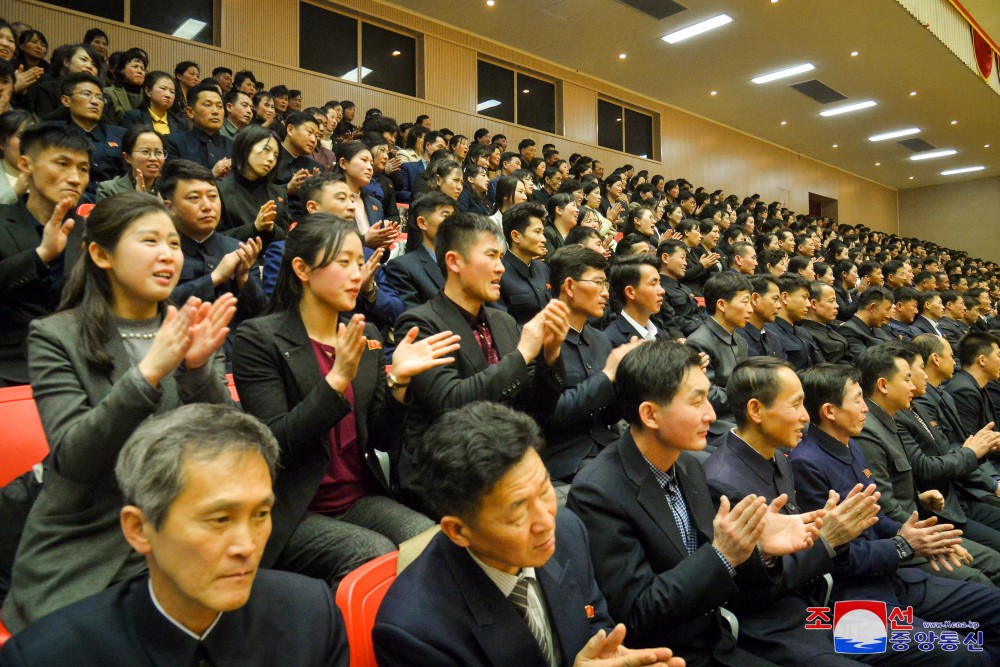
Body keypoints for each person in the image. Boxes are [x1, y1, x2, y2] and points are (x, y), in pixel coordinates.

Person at [1, 192, 234, 632]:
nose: (168, 255)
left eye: (174, 244)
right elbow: (74, 459)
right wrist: (147, 374)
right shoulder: (56, 335)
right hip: (92, 550)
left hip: (180, 542)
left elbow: (225, 448)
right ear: (100, 254)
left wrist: (199, 371)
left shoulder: (188, 326)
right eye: (150, 241)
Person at [0, 404, 351, 666]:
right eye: (218, 519)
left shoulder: (311, 616)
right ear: (139, 529)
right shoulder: (48, 657)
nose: (247, 545)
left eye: (260, 514)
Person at [232, 216, 456, 588]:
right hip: (291, 508)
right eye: (344, 263)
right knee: (374, 554)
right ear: (302, 269)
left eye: (360, 263)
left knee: (429, 539)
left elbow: (382, 439)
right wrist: (336, 381)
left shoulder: (363, 334)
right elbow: (273, 445)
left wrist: (399, 381)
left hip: (356, 498)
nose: (357, 275)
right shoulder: (260, 338)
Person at [372, 401, 684, 667]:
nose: (546, 520)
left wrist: (607, 654)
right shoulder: (414, 631)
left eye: (546, 488)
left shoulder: (568, 530)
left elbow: (593, 621)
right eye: (518, 510)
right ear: (458, 530)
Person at [568, 341, 822, 665]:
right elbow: (635, 613)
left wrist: (758, 550)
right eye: (696, 401)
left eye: (708, 396)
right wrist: (725, 554)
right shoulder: (598, 492)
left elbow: (717, 572)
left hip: (718, 641)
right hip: (663, 657)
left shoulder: (688, 464)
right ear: (650, 414)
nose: (712, 414)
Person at [792, 363, 1000, 664]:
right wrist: (904, 545)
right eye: (857, 400)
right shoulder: (807, 463)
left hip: (891, 576)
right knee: (962, 651)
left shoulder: (848, 445)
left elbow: (875, 516)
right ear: (829, 411)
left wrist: (916, 535)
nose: (865, 408)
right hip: (855, 597)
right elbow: (837, 556)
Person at [703, 357, 881, 665]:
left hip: (812, 603)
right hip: (771, 626)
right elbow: (751, 591)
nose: (805, 417)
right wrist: (826, 539)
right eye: (795, 405)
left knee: (943, 643)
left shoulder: (780, 457)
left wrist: (827, 532)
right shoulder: (722, 482)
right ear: (756, 410)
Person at [393, 212, 570, 495]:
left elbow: (536, 408)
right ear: (454, 262)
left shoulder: (503, 322)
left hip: (506, 464)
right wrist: (524, 353)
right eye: (491, 256)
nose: (501, 268)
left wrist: (550, 355)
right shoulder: (420, 324)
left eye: (501, 257)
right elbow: (451, 403)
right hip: (448, 476)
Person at [852, 343, 1000, 585]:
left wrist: (918, 496)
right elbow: (885, 505)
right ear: (883, 385)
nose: (913, 385)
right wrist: (931, 540)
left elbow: (897, 485)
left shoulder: (891, 417)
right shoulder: (869, 430)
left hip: (927, 514)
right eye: (907, 378)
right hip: (906, 537)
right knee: (985, 575)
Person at [0, 122, 90, 386]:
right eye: (62, 164)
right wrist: (40, 255)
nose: (75, 178)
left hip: (78, 366)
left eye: (83, 169)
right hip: (8, 368)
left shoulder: (90, 233)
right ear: (26, 165)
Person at [544, 246, 636, 482]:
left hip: (605, 445)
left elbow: (607, 417)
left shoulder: (600, 339)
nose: (606, 293)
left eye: (606, 284)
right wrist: (607, 375)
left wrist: (630, 378)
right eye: (598, 283)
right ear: (570, 286)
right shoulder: (538, 338)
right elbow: (550, 413)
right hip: (564, 456)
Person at [160, 160, 265, 355]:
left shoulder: (237, 248)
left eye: (212, 197)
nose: (207, 206)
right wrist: (214, 279)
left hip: (240, 357)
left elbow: (259, 312)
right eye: (194, 198)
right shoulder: (161, 252)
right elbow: (159, 308)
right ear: (169, 207)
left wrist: (243, 279)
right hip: (180, 355)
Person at [911, 333, 1000, 509]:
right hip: (958, 488)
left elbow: (969, 446)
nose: (954, 362)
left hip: (975, 474)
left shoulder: (944, 394)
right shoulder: (953, 392)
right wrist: (994, 484)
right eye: (951, 356)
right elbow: (955, 451)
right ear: (936, 359)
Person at [684, 272, 752, 424]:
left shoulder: (740, 340)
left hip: (740, 413)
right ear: (721, 305)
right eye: (745, 302)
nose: (750, 309)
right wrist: (749, 395)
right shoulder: (698, 342)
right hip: (718, 421)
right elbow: (706, 394)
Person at [216, 123, 289, 245]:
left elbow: (286, 237)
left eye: (276, 155)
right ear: (245, 148)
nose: (272, 159)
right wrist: (255, 227)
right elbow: (214, 238)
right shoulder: (219, 190)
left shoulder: (279, 193)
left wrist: (271, 228)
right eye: (267, 150)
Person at [382, 191, 452, 311]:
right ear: (422, 223)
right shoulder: (402, 267)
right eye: (445, 216)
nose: (453, 222)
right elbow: (415, 317)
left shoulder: (463, 261)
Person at [59, 71, 125, 195]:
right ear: (66, 100)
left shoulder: (119, 135)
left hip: (114, 204)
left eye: (100, 98)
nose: (95, 102)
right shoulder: (54, 133)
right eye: (86, 94)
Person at [499, 201, 550, 326]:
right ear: (516, 236)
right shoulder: (498, 273)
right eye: (537, 232)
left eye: (542, 232)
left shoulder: (543, 268)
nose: (544, 239)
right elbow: (501, 327)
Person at [166, 83, 232, 177]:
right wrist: (212, 174)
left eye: (219, 106)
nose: (215, 111)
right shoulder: (174, 143)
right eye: (208, 105)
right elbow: (172, 182)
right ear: (190, 112)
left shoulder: (232, 145)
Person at [605, 253, 668, 346]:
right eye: (653, 283)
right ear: (630, 292)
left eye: (659, 283)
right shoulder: (611, 342)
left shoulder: (660, 333)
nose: (662, 291)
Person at [767, 273, 824, 371]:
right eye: (804, 297)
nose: (809, 304)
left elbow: (821, 365)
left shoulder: (803, 332)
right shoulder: (770, 332)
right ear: (785, 297)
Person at [946, 331, 1000, 435]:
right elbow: (970, 441)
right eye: (999, 355)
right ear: (982, 360)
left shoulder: (977, 385)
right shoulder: (963, 391)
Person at [95, 123, 164, 201]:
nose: (153, 158)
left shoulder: (171, 188)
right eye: (145, 151)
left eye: (158, 152)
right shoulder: (109, 190)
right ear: (127, 157)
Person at [654, 238, 703, 337]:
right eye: (682, 258)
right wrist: (705, 326)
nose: (685, 263)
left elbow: (698, 313)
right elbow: (672, 321)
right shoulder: (659, 289)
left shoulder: (685, 288)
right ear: (665, 258)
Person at [799, 280, 851, 364]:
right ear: (814, 304)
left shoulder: (830, 326)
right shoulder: (806, 334)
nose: (837, 306)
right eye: (831, 301)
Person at [121, 70, 186, 136]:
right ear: (148, 91)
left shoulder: (180, 123)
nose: (168, 95)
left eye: (172, 92)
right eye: (163, 88)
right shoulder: (133, 117)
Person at [737, 274, 784, 359]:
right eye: (775, 299)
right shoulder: (736, 337)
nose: (779, 306)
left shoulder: (774, 338)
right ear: (755, 299)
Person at [101, 48, 146, 126]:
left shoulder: (148, 96)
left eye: (143, 69)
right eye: (135, 66)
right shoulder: (108, 93)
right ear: (122, 70)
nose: (140, 71)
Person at [0, 109, 36, 205]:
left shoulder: (47, 172)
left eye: (33, 137)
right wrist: (14, 194)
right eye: (22, 136)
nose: (29, 143)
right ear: (2, 142)